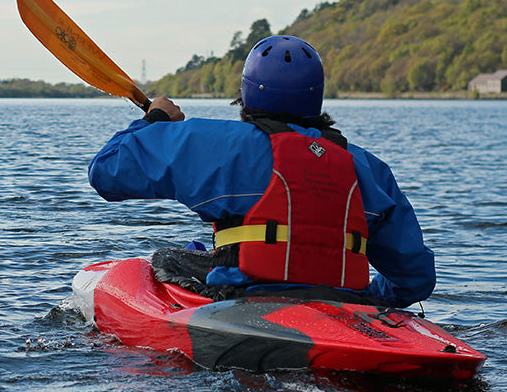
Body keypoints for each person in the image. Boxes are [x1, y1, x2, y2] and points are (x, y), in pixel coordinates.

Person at [87, 35, 434, 308]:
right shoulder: (369, 168)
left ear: (248, 90)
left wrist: (156, 119)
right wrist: (371, 302)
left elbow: (106, 170)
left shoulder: (213, 142)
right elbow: (414, 279)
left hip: (243, 305)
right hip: (344, 306)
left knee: (168, 260)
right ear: (316, 96)